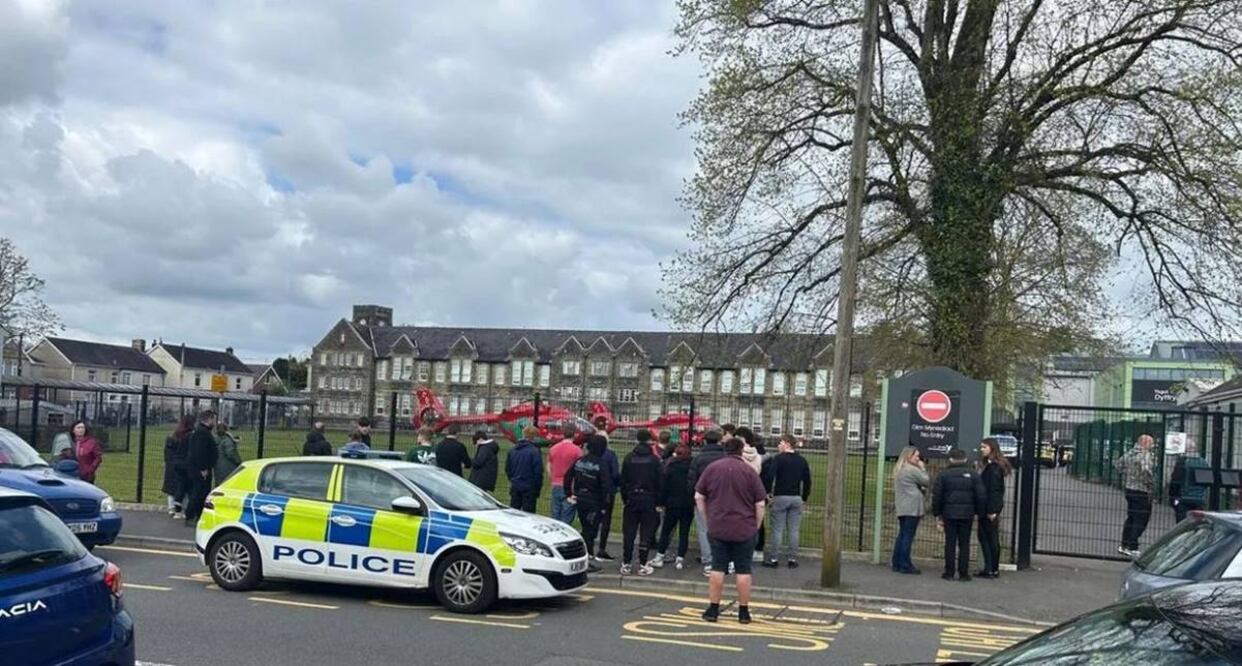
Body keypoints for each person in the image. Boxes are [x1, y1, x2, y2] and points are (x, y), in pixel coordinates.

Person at [695, 436, 767, 624]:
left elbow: (698, 496)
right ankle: (743, 612)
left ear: (725, 449)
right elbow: (760, 503)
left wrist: (707, 518)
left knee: (717, 568)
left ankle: (713, 609)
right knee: (743, 570)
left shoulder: (712, 469)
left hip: (718, 525)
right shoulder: (749, 472)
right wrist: (756, 525)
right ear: (741, 450)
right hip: (744, 527)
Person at [931, 448, 985, 581]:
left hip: (949, 513)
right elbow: (981, 495)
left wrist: (937, 513)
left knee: (950, 543)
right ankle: (963, 573)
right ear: (966, 459)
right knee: (964, 543)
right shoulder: (973, 475)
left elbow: (937, 496)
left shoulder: (943, 475)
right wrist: (979, 511)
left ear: (950, 459)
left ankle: (949, 572)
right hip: (967, 514)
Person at [566, 435, 614, 573]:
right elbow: (606, 487)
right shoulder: (601, 464)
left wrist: (569, 494)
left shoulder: (580, 461)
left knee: (586, 528)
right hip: (595, 502)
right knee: (590, 531)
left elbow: (568, 477)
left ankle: (587, 556)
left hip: (581, 499)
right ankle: (586, 559)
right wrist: (605, 505)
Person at [762, 433, 812, 569]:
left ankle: (774, 559)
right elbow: (807, 481)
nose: (779, 445)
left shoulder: (777, 459)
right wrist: (804, 498)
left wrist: (768, 493)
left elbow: (769, 476)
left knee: (777, 530)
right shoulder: (802, 460)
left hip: (781, 496)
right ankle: (792, 558)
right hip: (796, 498)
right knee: (794, 530)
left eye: (781, 442)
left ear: (788, 444)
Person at [619, 430, 664, 576]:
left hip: (632, 498)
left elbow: (623, 481)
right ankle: (643, 564)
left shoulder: (628, 458)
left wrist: (625, 498)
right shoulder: (654, 460)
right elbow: (660, 483)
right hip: (649, 499)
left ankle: (626, 563)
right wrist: (659, 502)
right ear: (649, 440)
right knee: (646, 532)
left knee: (629, 532)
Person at [688, 427, 728, 575]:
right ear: (719, 440)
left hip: (702, 497)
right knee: (723, 529)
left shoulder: (698, 458)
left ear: (705, 441)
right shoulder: (725, 457)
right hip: (722, 498)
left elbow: (692, 480)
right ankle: (722, 559)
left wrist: (692, 495)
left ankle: (709, 560)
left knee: (704, 529)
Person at [652, 444, 695, 570]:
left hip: (672, 504)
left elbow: (663, 488)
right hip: (687, 504)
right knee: (684, 532)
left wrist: (660, 503)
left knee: (666, 530)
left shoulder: (670, 468)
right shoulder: (692, 468)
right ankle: (680, 558)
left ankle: (660, 556)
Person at [1115, 434, 1156, 557]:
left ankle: (1124, 544)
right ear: (1145, 443)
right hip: (1142, 490)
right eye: (1151, 443)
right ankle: (1133, 546)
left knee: (1131, 517)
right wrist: (1150, 483)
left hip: (1129, 488)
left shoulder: (1130, 453)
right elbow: (1146, 471)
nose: (1152, 446)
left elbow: (1118, 465)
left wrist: (1129, 475)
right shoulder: (1144, 455)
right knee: (1141, 519)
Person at [891, 445, 929, 575]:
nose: (919, 459)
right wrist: (923, 468)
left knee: (902, 534)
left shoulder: (900, 469)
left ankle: (896, 562)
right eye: (916, 456)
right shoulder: (911, 469)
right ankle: (905, 564)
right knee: (908, 536)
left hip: (903, 506)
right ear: (909, 456)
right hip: (912, 507)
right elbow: (926, 481)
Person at [976, 438, 1011, 579]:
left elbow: (994, 490)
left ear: (991, 448)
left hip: (989, 508)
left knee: (988, 537)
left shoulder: (994, 468)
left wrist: (993, 510)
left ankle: (991, 568)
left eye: (984, 447)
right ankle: (991, 568)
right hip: (989, 507)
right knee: (989, 537)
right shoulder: (994, 466)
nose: (981, 449)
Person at [184, 410, 219, 526]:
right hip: (201, 470)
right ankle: (190, 515)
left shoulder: (203, 432)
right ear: (208, 420)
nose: (215, 422)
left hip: (202, 468)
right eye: (213, 419)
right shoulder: (202, 433)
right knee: (198, 493)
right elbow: (200, 452)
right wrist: (203, 469)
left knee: (202, 493)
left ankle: (198, 515)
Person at [736, 426, 766, 559]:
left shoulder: (738, 456)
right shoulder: (758, 456)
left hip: (740, 491)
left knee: (738, 520)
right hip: (754, 490)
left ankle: (739, 551)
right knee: (754, 520)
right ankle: (756, 549)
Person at [594, 431, 622, 561]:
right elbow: (616, 473)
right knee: (606, 520)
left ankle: (589, 548)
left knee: (592, 519)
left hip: (592, 491)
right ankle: (601, 549)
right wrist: (616, 486)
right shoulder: (610, 455)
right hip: (607, 492)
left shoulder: (590, 455)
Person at [548, 424, 583, 524]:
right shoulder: (577, 450)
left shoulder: (554, 448)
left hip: (556, 484)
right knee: (567, 515)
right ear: (574, 435)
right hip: (570, 486)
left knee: (555, 514)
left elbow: (549, 466)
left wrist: (553, 479)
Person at [1169, 439, 1209, 523]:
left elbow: (1175, 480)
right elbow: (1206, 481)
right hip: (1199, 499)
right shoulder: (1203, 462)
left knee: (1181, 523)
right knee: (1197, 522)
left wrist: (1172, 497)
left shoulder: (1182, 462)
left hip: (1183, 498)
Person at [162, 415, 194, 518]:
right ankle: (182, 509)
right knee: (184, 487)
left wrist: (169, 462)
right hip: (183, 465)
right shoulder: (189, 437)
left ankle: (172, 508)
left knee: (172, 488)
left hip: (172, 465)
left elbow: (167, 453)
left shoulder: (172, 437)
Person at [506, 425, 543, 512]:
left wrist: (513, 479)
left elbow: (508, 469)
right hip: (529, 488)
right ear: (534, 437)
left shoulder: (513, 450)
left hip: (515, 485)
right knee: (529, 514)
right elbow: (538, 472)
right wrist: (537, 488)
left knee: (514, 513)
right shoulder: (534, 451)